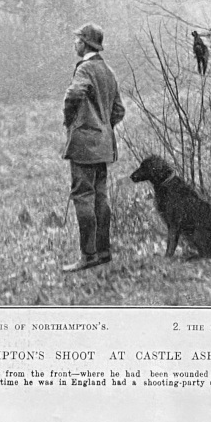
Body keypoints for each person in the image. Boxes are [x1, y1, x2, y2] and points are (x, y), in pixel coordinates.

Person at [61, 23, 125, 272]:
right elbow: (119, 110)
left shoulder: (85, 68)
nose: (74, 44)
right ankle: (104, 251)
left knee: (83, 197)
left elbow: (73, 95)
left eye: (77, 40)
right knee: (101, 197)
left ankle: (88, 255)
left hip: (85, 145)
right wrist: (103, 126)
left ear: (85, 43)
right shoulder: (108, 71)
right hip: (104, 145)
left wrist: (72, 121)